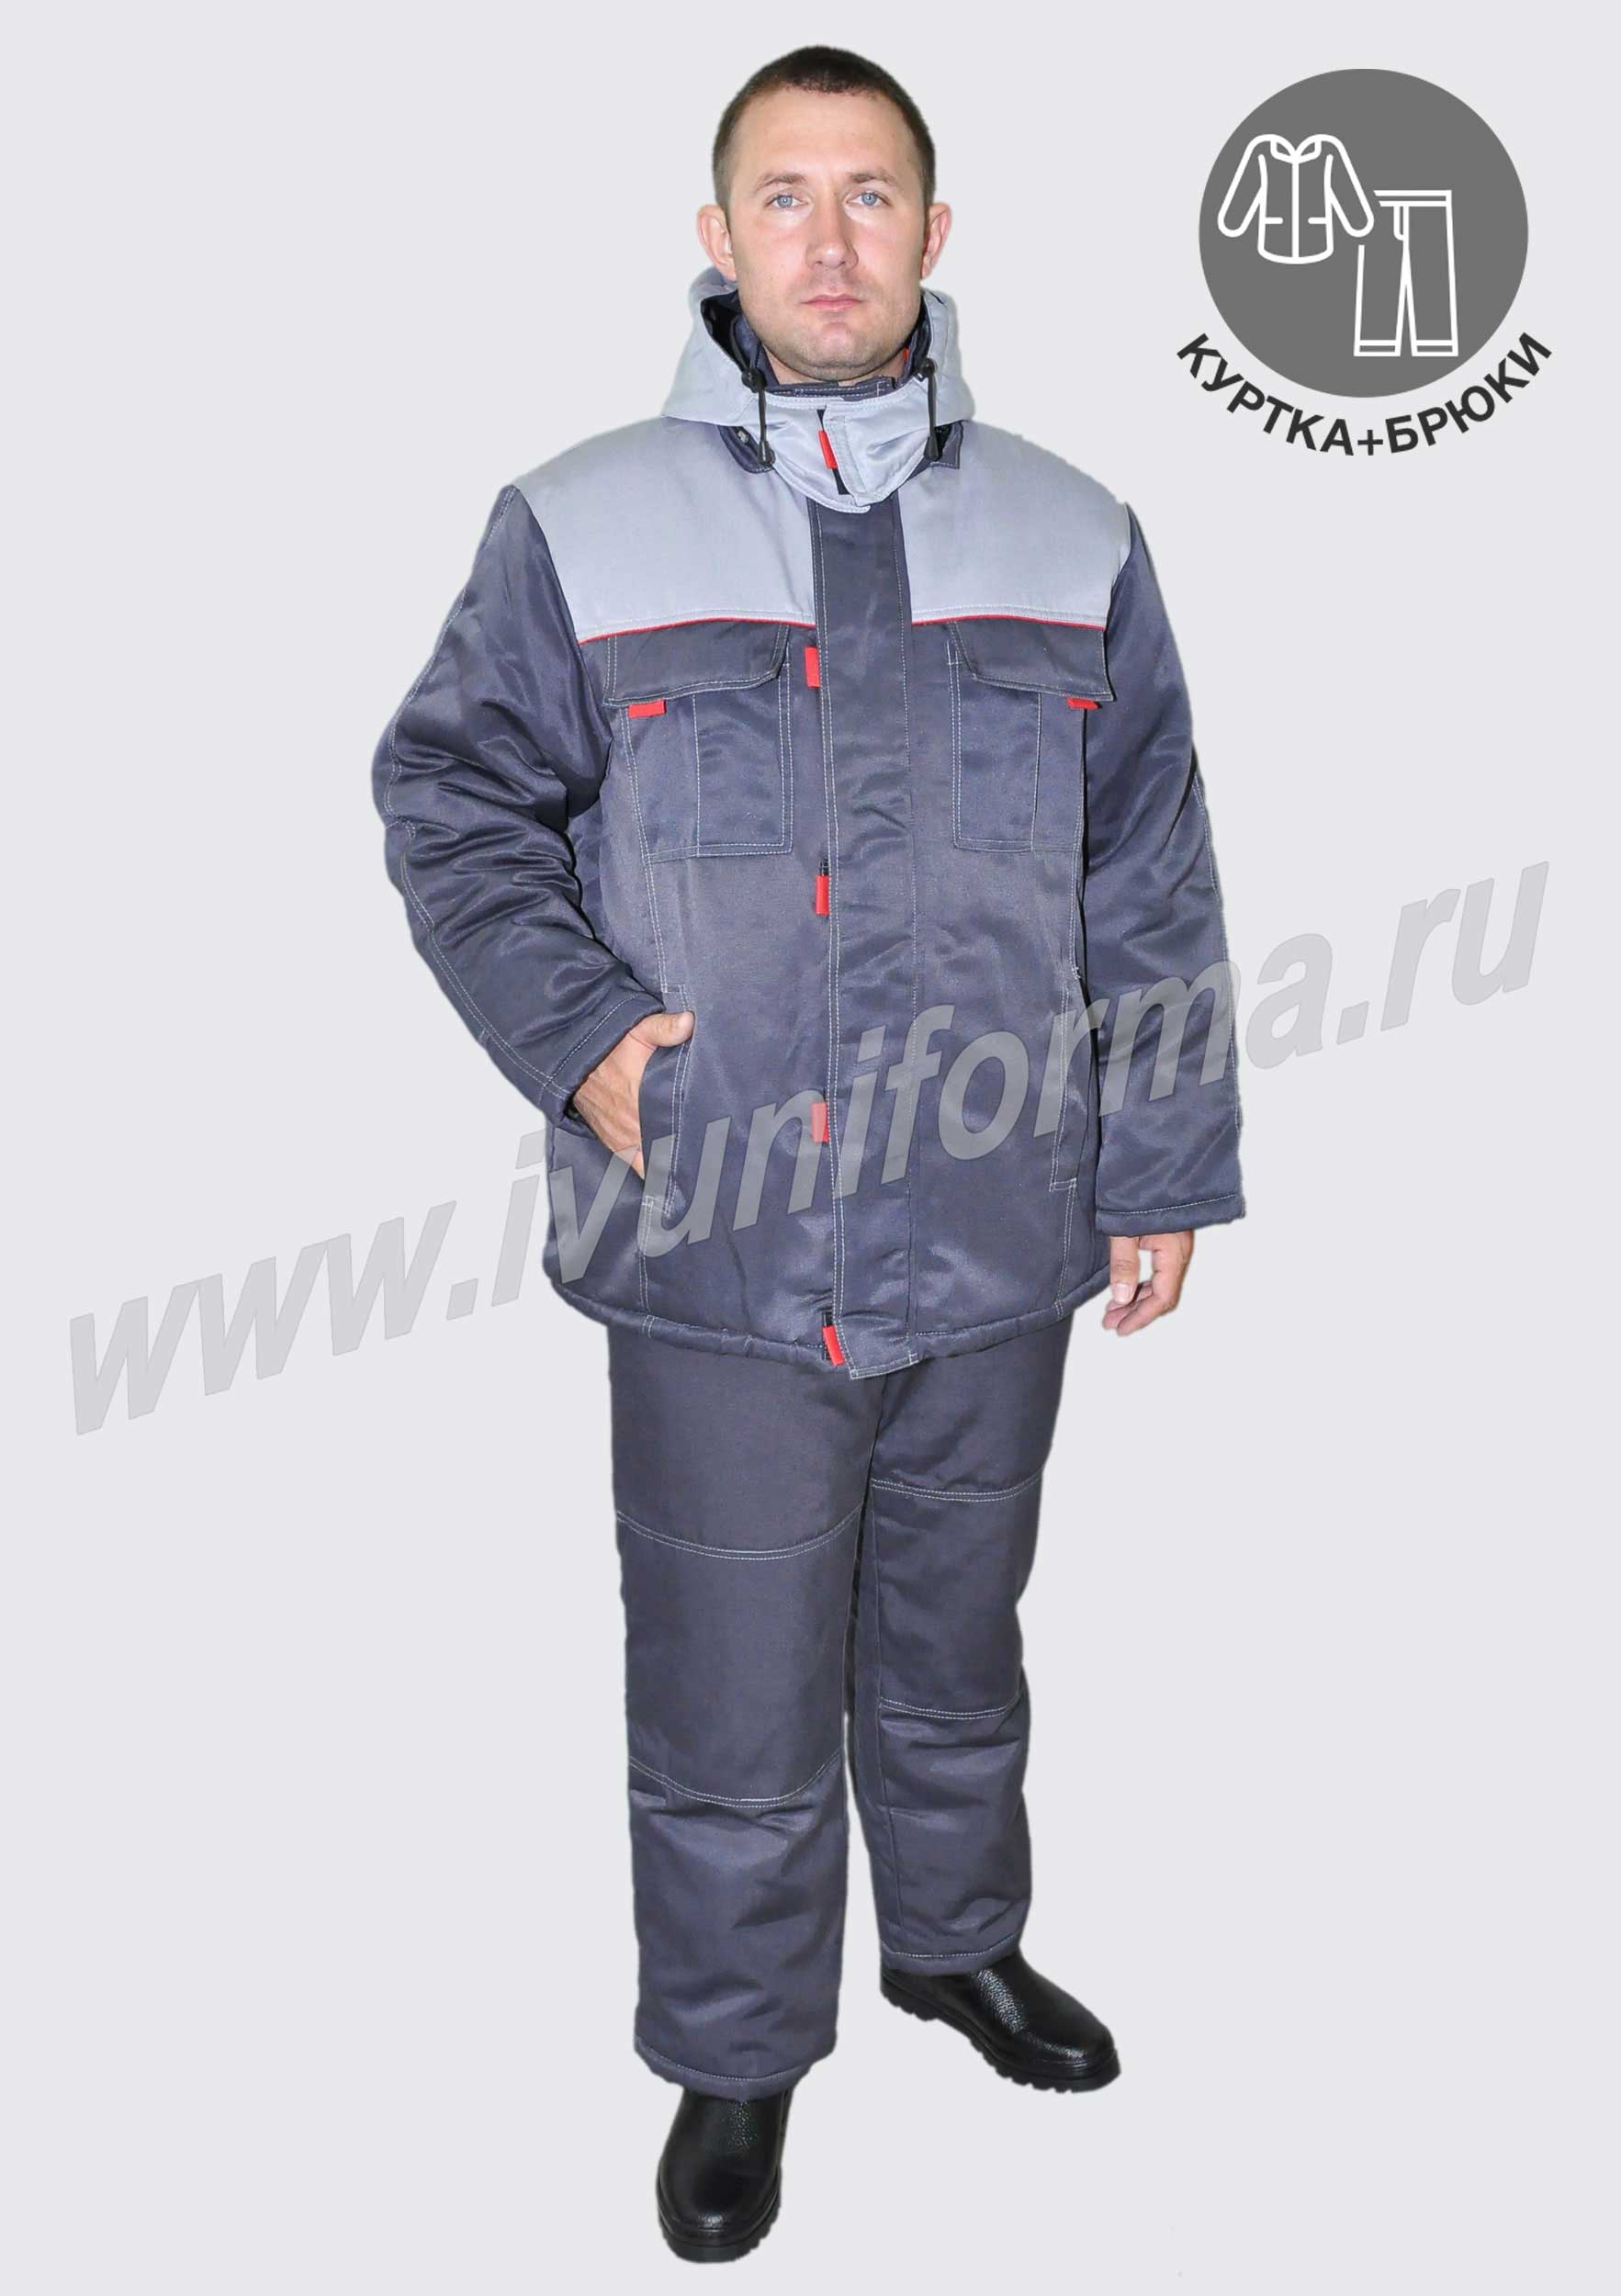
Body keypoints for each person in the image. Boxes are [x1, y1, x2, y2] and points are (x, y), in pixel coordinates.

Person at [373, 45, 1244, 2263]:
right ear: (717, 235)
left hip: (999, 1225)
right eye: (784, 194)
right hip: (718, 1238)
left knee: (957, 1635)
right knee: (732, 1675)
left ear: (935, 237)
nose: (829, 238)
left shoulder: (1071, 529)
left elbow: (1146, 868)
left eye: (871, 196)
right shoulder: (580, 522)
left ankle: (954, 1943)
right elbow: (453, 801)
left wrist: (1157, 1162)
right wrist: (581, 1042)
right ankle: (737, 2051)